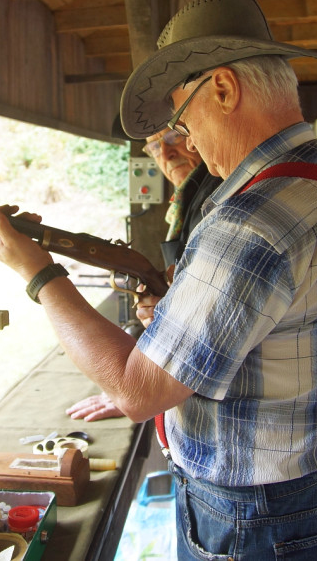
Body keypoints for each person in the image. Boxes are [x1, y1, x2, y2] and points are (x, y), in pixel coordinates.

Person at [0, 0, 317, 560]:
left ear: (223, 89)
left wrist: (40, 275)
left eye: (184, 119)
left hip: (256, 511)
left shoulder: (250, 221)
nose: (189, 141)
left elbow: (135, 391)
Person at [66, 126, 219, 422]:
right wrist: (165, 306)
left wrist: (41, 276)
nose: (166, 153)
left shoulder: (211, 200)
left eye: (173, 138)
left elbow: (205, 327)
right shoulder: (188, 203)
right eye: (154, 147)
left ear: (195, 136)